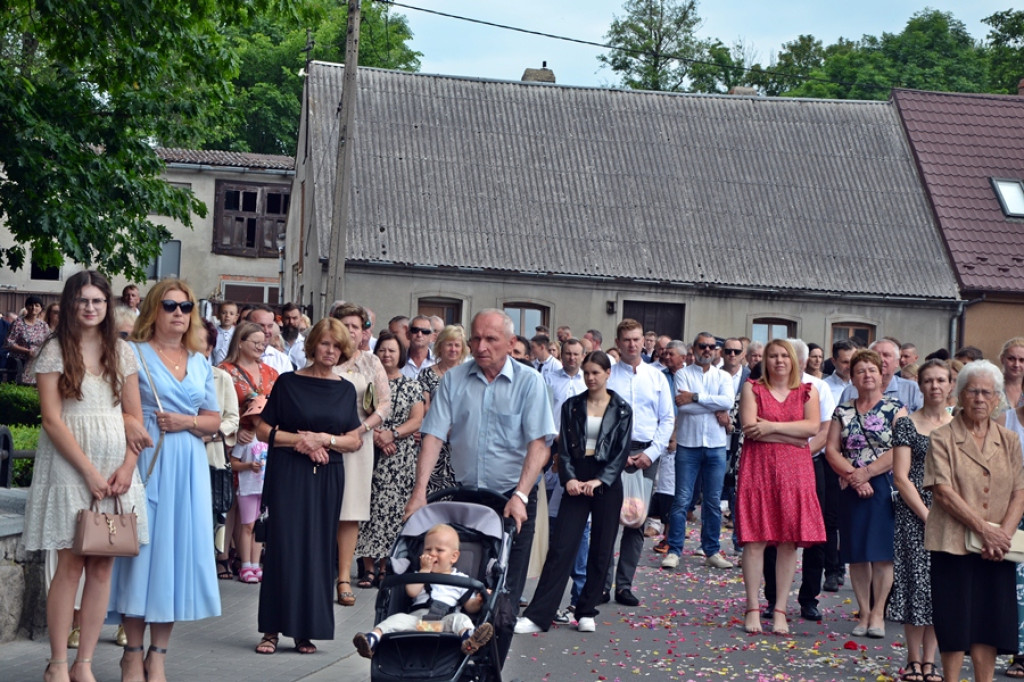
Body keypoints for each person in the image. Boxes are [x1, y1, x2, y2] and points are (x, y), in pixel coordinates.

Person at [404, 308, 556, 665]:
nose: (481, 346)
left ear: (512, 343)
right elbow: (433, 435)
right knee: (461, 585)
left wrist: (520, 494)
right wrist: (419, 493)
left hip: (512, 499)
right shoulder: (455, 380)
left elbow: (539, 444)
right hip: (466, 498)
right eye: (476, 338)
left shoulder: (529, 382)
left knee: (504, 593)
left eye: (491, 339)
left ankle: (492, 668)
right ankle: (450, 663)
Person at [20, 271, 150, 682]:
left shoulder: (122, 352)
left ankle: (85, 664)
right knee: (70, 564)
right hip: (70, 464)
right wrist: (90, 473)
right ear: (71, 303)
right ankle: (58, 662)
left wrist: (127, 467)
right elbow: (52, 421)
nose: (91, 308)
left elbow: (134, 417)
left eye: (98, 301)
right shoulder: (55, 351)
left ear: (107, 306)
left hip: (115, 469)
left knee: (102, 568)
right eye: (83, 301)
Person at [111, 278, 222, 682]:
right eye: (171, 306)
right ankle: (131, 653)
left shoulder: (199, 361)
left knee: (175, 559)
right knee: (141, 558)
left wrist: (188, 422)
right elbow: (116, 407)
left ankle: (158, 655)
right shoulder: (132, 354)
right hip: (145, 459)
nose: (179, 313)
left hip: (188, 464)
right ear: (154, 309)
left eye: (187, 307)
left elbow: (215, 419)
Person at [253, 318, 364, 655]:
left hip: (327, 475)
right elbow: (263, 430)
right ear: (313, 345)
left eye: (337, 345)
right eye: (325, 343)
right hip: (288, 471)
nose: (330, 351)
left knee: (318, 551)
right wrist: (303, 442)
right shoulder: (287, 382)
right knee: (283, 546)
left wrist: (324, 440)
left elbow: (353, 440)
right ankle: (271, 630)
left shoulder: (345, 388)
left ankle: (306, 631)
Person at [515, 351, 632, 634]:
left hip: (606, 482)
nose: (590, 378)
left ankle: (586, 610)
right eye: (587, 372)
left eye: (596, 372)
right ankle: (538, 615)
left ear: (608, 374)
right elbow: (563, 448)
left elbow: (621, 452)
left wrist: (600, 480)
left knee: (602, 549)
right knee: (562, 547)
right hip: (575, 480)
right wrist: (569, 478)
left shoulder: (622, 408)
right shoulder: (572, 406)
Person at [925, 360, 1024, 682]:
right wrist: (985, 531)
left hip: (998, 548)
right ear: (960, 395)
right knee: (954, 619)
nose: (980, 398)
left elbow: (1020, 493)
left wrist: (1003, 536)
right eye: (973, 391)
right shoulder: (942, 437)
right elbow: (942, 491)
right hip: (952, 542)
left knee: (989, 620)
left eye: (987, 392)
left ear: (998, 398)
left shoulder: (1009, 440)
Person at [736, 339, 823, 635]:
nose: (779, 361)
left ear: (794, 360)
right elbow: (750, 427)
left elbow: (812, 429)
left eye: (784, 355)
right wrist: (793, 436)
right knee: (755, 538)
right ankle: (752, 607)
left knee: (788, 541)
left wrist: (771, 427)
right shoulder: (752, 387)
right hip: (758, 469)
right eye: (773, 355)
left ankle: (780, 610)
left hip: (795, 474)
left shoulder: (807, 391)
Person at [826, 349, 907, 638]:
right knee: (857, 554)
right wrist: (853, 475)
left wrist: (867, 473)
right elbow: (832, 449)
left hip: (885, 486)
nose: (867, 375)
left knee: (883, 556)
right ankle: (863, 612)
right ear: (852, 377)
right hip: (850, 487)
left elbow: (900, 447)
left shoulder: (896, 408)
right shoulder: (843, 410)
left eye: (871, 370)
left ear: (881, 374)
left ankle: (878, 613)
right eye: (860, 371)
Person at [887, 359, 951, 682]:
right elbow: (901, 477)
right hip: (916, 514)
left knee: (941, 588)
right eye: (929, 381)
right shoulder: (906, 424)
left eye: (941, 380)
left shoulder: (958, 425)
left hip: (952, 515)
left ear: (951, 385)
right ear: (920, 385)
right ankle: (913, 659)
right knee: (915, 587)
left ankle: (931, 661)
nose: (935, 386)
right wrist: (928, 517)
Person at [604, 319, 674, 605]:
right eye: (627, 340)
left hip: (646, 453)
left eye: (637, 339)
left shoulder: (656, 377)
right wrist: (613, 454)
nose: (632, 345)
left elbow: (667, 418)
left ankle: (624, 585)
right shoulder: (609, 377)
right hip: (613, 454)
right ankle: (601, 583)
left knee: (636, 519)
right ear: (618, 343)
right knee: (608, 520)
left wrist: (652, 453)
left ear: (643, 341)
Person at [352, 524, 494, 658]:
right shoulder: (419, 574)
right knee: (397, 619)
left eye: (439, 550)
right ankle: (372, 639)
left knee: (461, 619)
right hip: (419, 621)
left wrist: (479, 601)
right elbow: (412, 592)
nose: (432, 554)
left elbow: (469, 606)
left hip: (445, 622)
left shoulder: (461, 579)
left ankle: (469, 640)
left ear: (454, 557)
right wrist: (424, 570)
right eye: (428, 549)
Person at [332, 304, 391, 607]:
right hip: (325, 442)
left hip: (358, 442)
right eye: (345, 325)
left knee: (349, 512)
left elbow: (384, 403)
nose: (351, 330)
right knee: (322, 511)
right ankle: (318, 575)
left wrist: (364, 428)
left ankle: (343, 578)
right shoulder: (323, 357)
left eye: (356, 325)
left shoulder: (370, 361)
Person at [356, 331, 425, 587]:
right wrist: (377, 436)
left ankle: (386, 566)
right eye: (382, 350)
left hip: (401, 456)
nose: (386, 354)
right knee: (369, 508)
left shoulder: (412, 384)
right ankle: (367, 568)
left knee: (394, 511)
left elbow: (417, 420)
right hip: (370, 450)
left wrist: (392, 435)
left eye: (392, 350)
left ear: (401, 355)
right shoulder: (369, 383)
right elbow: (362, 413)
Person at [662, 332, 735, 570]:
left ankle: (711, 550)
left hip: (715, 446)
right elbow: (683, 408)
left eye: (712, 347)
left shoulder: (723, 376)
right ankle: (674, 549)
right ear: (694, 349)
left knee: (713, 502)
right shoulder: (682, 373)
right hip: (688, 444)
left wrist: (694, 397)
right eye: (703, 346)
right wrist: (710, 404)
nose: (707, 350)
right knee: (682, 499)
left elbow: (727, 403)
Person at [220, 322, 279, 584]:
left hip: (264, 445)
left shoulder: (272, 372)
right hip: (234, 443)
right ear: (239, 342)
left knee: (255, 502)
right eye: (254, 341)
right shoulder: (225, 372)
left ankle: (252, 560)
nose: (259, 346)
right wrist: (235, 432)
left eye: (262, 342)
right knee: (230, 501)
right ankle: (224, 556)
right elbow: (217, 409)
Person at [417, 325, 469, 494]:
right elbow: (425, 408)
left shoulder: (469, 375)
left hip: (462, 444)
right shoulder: (426, 374)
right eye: (449, 344)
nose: (453, 349)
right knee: (433, 496)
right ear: (440, 346)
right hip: (435, 442)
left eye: (457, 345)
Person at [5, 294, 49, 384]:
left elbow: (48, 343)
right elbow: (8, 343)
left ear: (41, 308)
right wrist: (26, 351)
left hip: (36, 364)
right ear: (26, 307)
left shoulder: (43, 325)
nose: (33, 308)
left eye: (37, 305)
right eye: (30, 305)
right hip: (19, 364)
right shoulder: (18, 323)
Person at [402, 315, 435, 379]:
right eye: (415, 330)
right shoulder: (397, 361)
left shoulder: (438, 362)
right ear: (408, 334)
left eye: (425, 331)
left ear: (432, 337)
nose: (419, 334)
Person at [1000, 337, 1024, 413]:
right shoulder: (993, 388)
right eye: (1011, 359)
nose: (1016, 364)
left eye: (1022, 360)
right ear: (1002, 359)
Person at [212, 302, 238, 366]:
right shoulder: (213, 333)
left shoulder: (237, 333)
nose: (227, 316)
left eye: (231, 314)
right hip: (216, 368)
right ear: (217, 315)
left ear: (236, 317)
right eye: (224, 313)